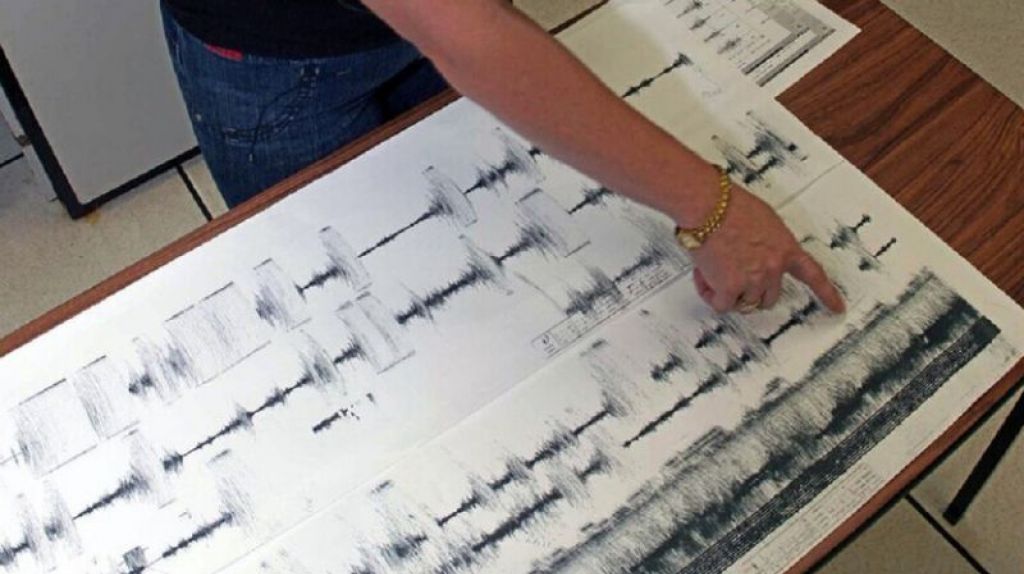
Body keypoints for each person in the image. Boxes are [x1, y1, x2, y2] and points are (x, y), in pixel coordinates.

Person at [160, 0, 845, 316]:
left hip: (432, 25)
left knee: (479, 233)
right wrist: (712, 209)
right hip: (273, 60)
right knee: (344, 284)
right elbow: (463, 32)